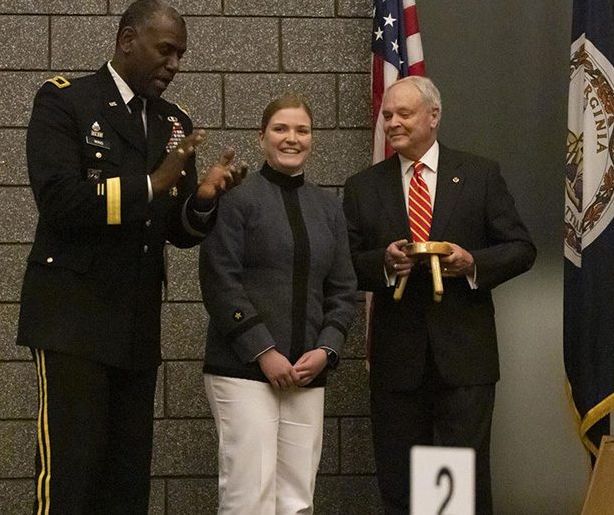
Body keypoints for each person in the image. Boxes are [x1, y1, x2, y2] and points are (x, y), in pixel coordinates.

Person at [17, 0, 245, 513]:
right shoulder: (66, 101)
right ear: (126, 40)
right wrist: (152, 183)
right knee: (70, 476)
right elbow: (59, 201)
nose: (174, 65)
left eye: (181, 55)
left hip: (136, 322)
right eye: (166, 51)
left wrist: (204, 199)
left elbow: (178, 232)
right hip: (72, 320)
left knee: (127, 481)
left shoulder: (173, 121)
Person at [342, 76, 536, 514]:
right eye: (387, 115)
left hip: (464, 362)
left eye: (403, 114)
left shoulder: (479, 175)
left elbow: (522, 249)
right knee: (403, 484)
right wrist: (384, 264)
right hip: (397, 364)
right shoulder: (363, 187)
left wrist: (472, 265)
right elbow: (345, 264)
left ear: (434, 117)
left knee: (455, 491)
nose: (392, 123)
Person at [199, 94, 357, 514]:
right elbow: (220, 280)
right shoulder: (236, 199)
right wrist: (264, 352)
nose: (292, 138)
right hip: (244, 371)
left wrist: (326, 350)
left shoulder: (328, 208)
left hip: (309, 372)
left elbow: (343, 289)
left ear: (312, 139)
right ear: (262, 136)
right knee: (249, 493)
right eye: (281, 129)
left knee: (297, 498)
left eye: (301, 130)